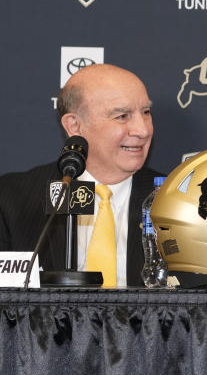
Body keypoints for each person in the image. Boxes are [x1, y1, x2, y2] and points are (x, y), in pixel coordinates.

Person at [0, 64, 160, 287]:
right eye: (122, 116)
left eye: (146, 112)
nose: (143, 130)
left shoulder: (180, 198)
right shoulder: (11, 200)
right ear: (74, 125)